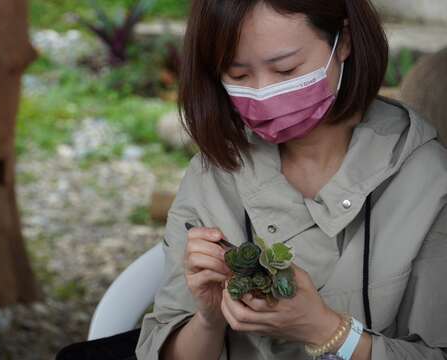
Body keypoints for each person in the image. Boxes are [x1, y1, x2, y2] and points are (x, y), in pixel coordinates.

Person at [135, 0, 447, 360]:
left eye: (285, 69)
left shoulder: (428, 178)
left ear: (342, 41)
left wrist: (326, 330)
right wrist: (208, 318)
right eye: (238, 75)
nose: (264, 92)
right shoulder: (213, 174)